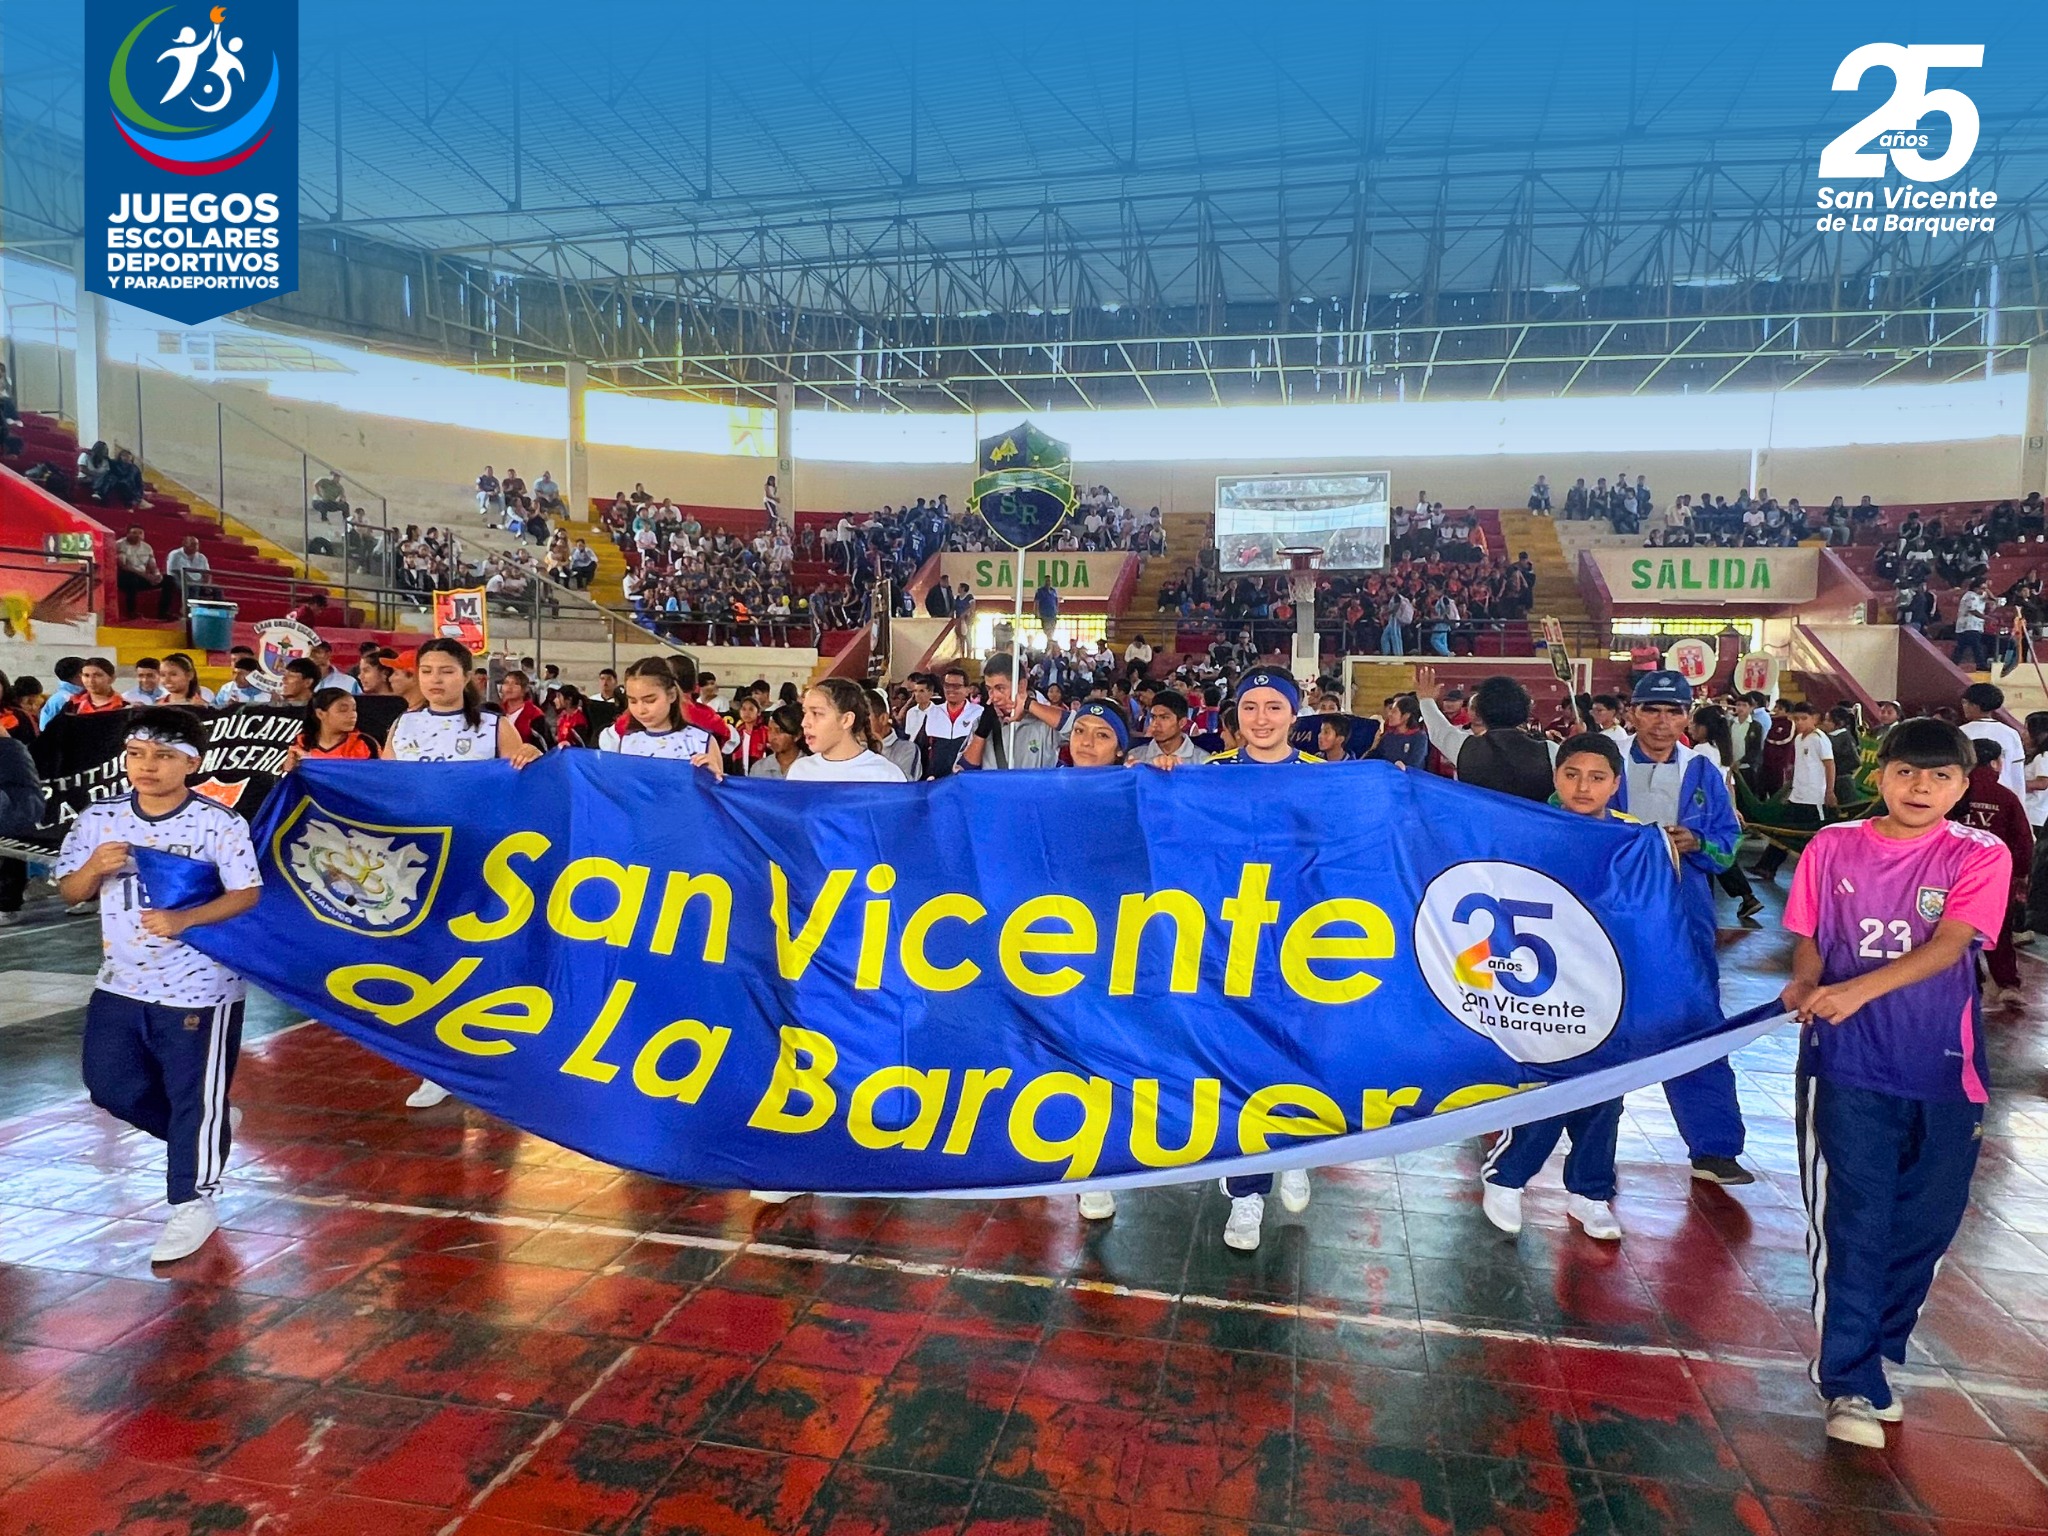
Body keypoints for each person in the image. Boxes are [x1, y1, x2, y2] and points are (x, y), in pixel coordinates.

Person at [1781, 719, 2012, 1448]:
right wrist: (1808, 981)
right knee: (1855, 1221)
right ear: (1878, 775)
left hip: (1945, 1068)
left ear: (1962, 785)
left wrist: (1857, 990)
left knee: (1928, 1222)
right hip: (1846, 1066)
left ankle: (1875, 1348)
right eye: (1907, 771)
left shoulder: (1979, 853)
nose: (1921, 787)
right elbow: (1810, 937)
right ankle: (1848, 1378)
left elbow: (1951, 945)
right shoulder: (1832, 846)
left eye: (1940, 776)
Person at [53, 711, 263, 1263]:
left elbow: (247, 893)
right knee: (110, 1086)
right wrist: (94, 868)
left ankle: (193, 1200)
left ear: (192, 763)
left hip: (201, 986)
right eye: (137, 754)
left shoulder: (218, 823)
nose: (147, 766)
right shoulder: (100, 818)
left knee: (193, 1095)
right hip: (121, 980)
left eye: (164, 756)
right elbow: (70, 891)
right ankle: (208, 1132)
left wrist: (185, 919)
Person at [1480, 733, 1648, 1242]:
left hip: (1608, 985)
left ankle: (1590, 1192)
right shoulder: (1531, 829)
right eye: (1572, 775)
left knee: (1607, 1092)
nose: (1583, 787)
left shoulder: (1634, 840)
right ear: (1556, 777)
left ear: (1615, 784)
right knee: (1548, 1084)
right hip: (1543, 984)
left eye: (1597, 778)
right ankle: (1507, 1176)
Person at [382, 638, 542, 1109]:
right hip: (417, 860)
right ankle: (437, 1065)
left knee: (478, 955)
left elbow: (528, 783)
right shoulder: (404, 724)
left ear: (468, 676)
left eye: (447, 670)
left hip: (478, 859)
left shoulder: (493, 726)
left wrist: (531, 756)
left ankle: (490, 1048)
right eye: (427, 670)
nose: (435, 679)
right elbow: (381, 785)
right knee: (426, 957)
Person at [1618, 672, 1755, 1182]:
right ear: (1633, 713)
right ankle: (1585, 1147)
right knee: (1593, 1022)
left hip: (1684, 918)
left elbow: (1728, 840)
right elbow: (1562, 818)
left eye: (1673, 711)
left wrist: (1697, 843)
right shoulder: (1605, 762)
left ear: (1687, 716)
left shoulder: (1702, 770)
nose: (1661, 722)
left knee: (1696, 1022)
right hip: (1611, 918)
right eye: (1651, 709)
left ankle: (1714, 1148)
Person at [1202, 669, 1317, 1249]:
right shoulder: (1211, 774)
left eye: (1275, 706)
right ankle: (1245, 1193)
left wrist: (1389, 786)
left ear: (1294, 714)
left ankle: (1294, 1147)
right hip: (1234, 938)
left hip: (1309, 939)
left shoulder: (1325, 777)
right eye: (1251, 706)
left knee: (1299, 1053)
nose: (1262, 718)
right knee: (1241, 1060)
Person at [1951, 739, 2033, 1009]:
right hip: (1995, 877)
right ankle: (2007, 984)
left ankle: (1971, 980)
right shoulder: (2005, 797)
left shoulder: (1951, 791)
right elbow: (2023, 840)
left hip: (1951, 874)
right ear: (1997, 763)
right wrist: (2021, 874)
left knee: (1954, 930)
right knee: (1999, 930)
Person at [1416, 669, 1555, 801]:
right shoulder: (1550, 750)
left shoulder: (1465, 748)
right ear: (1526, 710)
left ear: (1479, 713)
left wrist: (1426, 700)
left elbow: (1439, 731)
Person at [1755, 702, 1840, 881]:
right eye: (1796, 719)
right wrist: (1789, 790)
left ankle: (1821, 875)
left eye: (1804, 718)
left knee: (1811, 837)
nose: (1800, 722)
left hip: (1813, 798)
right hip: (1797, 795)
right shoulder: (1799, 739)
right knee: (1783, 832)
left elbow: (1830, 765)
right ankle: (1766, 867)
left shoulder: (1819, 739)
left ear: (1815, 718)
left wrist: (1829, 791)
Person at [598, 657, 720, 766]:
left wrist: (712, 774)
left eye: (650, 701)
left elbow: (720, 782)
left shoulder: (701, 741)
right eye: (633, 701)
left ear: (671, 695)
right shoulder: (626, 742)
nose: (641, 710)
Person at [786, 679, 909, 783]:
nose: (804, 723)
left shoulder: (885, 775)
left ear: (846, 720)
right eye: (805, 713)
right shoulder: (800, 771)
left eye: (816, 713)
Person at [1959, 682, 2027, 800]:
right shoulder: (2011, 733)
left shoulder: (1960, 733)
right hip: (2004, 795)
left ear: (1975, 705)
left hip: (1969, 795)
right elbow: (2017, 774)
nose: (1963, 707)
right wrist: (2020, 802)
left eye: (1965, 702)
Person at [289, 688, 376, 763]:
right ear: (320, 714)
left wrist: (310, 759)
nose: (353, 715)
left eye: (354, 709)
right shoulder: (301, 743)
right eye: (343, 710)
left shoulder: (364, 743)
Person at [1127, 688, 1203, 767]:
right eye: (1153, 717)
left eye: (1164, 718)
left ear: (1182, 722)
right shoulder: (1135, 757)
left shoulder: (1203, 761)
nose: (1155, 724)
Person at [1369, 694, 1430, 770]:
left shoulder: (1419, 737)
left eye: (1394, 711)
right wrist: (1373, 746)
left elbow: (1414, 765)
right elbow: (1375, 757)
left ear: (1406, 716)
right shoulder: (1389, 736)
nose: (1389, 714)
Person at [748, 703, 806, 780]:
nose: (772, 737)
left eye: (779, 731)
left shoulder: (810, 768)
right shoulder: (759, 769)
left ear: (797, 736)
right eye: (769, 729)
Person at [1951, 578, 1992, 671]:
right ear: (1975, 588)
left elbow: (1992, 598)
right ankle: (1981, 665)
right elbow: (1973, 610)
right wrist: (1986, 618)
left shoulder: (1980, 595)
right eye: (1982, 588)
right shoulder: (1970, 596)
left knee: (1961, 647)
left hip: (1974, 626)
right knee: (1976, 646)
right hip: (1968, 626)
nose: (1984, 591)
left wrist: (1987, 590)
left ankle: (1953, 663)